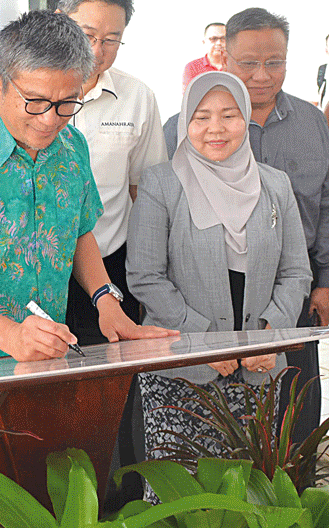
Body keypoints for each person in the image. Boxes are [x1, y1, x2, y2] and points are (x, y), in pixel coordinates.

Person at [0, 10, 176, 415]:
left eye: (66, 104)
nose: (49, 120)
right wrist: (10, 337)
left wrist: (105, 300)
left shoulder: (72, 148)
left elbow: (79, 233)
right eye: (34, 102)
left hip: (41, 371)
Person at [128, 71, 310, 499]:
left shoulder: (275, 184)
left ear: (245, 119)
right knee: (178, 499)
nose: (215, 128)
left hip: (259, 367)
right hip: (184, 370)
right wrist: (208, 341)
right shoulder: (161, 183)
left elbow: (296, 272)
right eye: (201, 116)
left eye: (228, 115)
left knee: (249, 496)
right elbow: (145, 276)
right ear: (185, 123)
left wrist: (267, 336)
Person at [163, 8, 329, 443]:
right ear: (224, 60)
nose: (261, 75)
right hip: (204, 306)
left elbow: (326, 203)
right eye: (248, 63)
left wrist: (324, 280)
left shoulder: (312, 123)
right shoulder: (181, 130)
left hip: (292, 297)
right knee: (209, 430)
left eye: (274, 62)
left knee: (293, 422)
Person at [56, 0, 166, 345]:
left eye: (112, 39)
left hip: (109, 263)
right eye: (86, 35)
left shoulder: (137, 97)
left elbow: (145, 191)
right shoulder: (24, 92)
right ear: (59, 21)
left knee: (109, 381)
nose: (96, 51)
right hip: (33, 267)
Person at [182, 22, 227, 89]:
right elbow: (189, 96)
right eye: (213, 39)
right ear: (204, 42)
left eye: (223, 39)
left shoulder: (238, 65)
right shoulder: (192, 67)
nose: (219, 43)